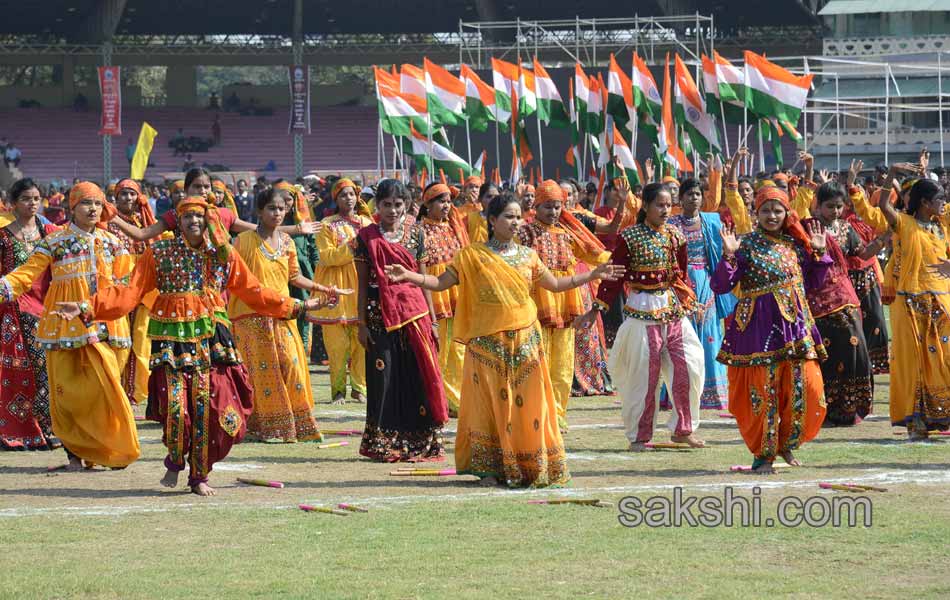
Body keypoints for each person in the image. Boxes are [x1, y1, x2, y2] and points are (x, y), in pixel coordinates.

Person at [56, 195, 330, 495]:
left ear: (209, 219)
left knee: (213, 407)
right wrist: (87, 308)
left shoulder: (223, 255)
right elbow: (129, 291)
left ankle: (200, 474)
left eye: (199, 216)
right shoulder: (159, 252)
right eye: (187, 217)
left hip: (213, 338)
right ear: (178, 222)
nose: (194, 222)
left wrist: (300, 306)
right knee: (177, 407)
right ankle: (175, 458)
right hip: (172, 340)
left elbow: (255, 292)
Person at [386, 194, 624, 486]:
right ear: (492, 220)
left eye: (518, 217)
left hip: (525, 338)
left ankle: (529, 463)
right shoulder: (472, 256)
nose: (515, 222)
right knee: (489, 406)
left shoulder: (528, 256)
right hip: (486, 343)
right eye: (509, 217)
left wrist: (592, 275)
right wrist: (410, 275)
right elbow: (439, 283)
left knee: (529, 405)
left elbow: (556, 284)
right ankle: (490, 468)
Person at [1, 182, 139, 471]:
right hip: (63, 325)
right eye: (86, 204)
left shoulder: (114, 244)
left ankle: (110, 449)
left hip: (107, 324)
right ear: (71, 208)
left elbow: (127, 284)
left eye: (98, 204)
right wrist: (5, 287)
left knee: (106, 389)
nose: (92, 209)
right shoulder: (54, 241)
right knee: (67, 392)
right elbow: (27, 274)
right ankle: (74, 455)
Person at [712, 186, 831, 473]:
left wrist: (819, 252)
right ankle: (763, 455)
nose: (772, 215)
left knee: (809, 389)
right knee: (761, 392)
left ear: (787, 212)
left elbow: (815, 283)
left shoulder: (795, 245)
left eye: (778, 210)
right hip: (757, 329)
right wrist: (728, 257)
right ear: (756, 213)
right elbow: (720, 285)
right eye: (765, 210)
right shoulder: (746, 245)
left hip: (796, 328)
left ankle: (786, 444)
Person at [584, 182, 705, 451]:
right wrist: (596, 309)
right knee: (644, 376)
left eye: (667, 204)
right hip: (642, 311)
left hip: (673, 310)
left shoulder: (676, 236)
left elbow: (681, 274)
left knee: (689, 366)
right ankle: (640, 435)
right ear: (646, 206)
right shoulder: (630, 237)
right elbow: (614, 277)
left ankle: (683, 429)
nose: (665, 209)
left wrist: (689, 299)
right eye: (659, 205)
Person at [230, 187, 344, 443]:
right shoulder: (244, 241)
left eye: (281, 209)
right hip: (251, 317)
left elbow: (293, 276)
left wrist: (321, 288)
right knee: (260, 374)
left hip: (282, 314)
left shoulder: (288, 242)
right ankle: (266, 427)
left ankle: (298, 424)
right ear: (259, 211)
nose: (277, 213)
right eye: (272, 208)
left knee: (291, 366)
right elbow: (237, 280)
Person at [353, 179, 448, 461]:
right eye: (386, 205)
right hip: (377, 313)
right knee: (383, 376)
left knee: (416, 374)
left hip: (415, 313)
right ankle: (382, 442)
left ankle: (420, 439)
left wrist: (432, 320)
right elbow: (361, 285)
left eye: (398, 205)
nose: (392, 211)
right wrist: (361, 324)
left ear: (406, 205)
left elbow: (423, 279)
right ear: (377, 206)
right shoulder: (365, 237)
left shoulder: (416, 233)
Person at [854, 173, 950, 439]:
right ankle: (917, 422)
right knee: (914, 363)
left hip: (941, 302)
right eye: (939, 199)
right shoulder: (904, 223)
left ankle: (940, 413)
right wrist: (892, 175)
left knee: (943, 358)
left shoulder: (942, 225)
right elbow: (884, 205)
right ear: (924, 203)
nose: (944, 203)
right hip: (909, 302)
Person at [517, 180, 612, 429]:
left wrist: (621, 258)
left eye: (557, 206)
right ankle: (536, 413)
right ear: (536, 206)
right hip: (536, 305)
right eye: (547, 206)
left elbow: (595, 254)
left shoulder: (568, 233)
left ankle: (556, 416)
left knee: (562, 364)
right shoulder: (525, 233)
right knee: (537, 362)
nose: (553, 212)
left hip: (566, 304)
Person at [806, 179, 876, 426]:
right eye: (829, 206)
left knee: (855, 348)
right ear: (818, 205)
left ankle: (849, 408)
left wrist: (886, 237)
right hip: (819, 298)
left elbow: (862, 254)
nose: (835, 211)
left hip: (845, 296)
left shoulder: (846, 228)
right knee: (828, 353)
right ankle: (825, 408)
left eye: (838, 206)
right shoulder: (809, 228)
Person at [0, 179, 60, 450]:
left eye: (36, 198)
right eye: (26, 198)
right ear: (13, 203)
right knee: (22, 370)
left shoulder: (50, 232)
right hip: (15, 309)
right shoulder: (3, 236)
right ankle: (25, 430)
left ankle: (50, 427)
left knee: (48, 370)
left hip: (49, 307)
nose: (32, 203)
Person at [667, 175, 736, 410]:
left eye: (698, 194)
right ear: (681, 198)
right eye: (689, 194)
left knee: (708, 334)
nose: (694, 198)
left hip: (707, 282)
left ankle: (712, 392)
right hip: (681, 283)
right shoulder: (672, 224)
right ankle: (681, 392)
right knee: (682, 335)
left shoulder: (712, 221)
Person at [309, 178, 372, 404]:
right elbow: (328, 257)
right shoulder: (327, 224)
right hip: (336, 289)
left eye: (352, 194)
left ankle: (359, 388)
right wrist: (354, 245)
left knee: (361, 343)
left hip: (361, 286)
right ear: (336, 198)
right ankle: (337, 390)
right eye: (343, 194)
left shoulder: (367, 223)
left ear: (357, 197)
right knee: (337, 346)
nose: (348, 198)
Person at [418, 182, 469, 417]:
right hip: (433, 296)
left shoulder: (454, 228)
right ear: (427, 205)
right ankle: (438, 399)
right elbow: (421, 271)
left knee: (457, 350)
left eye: (449, 201)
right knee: (438, 350)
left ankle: (455, 399)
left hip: (456, 296)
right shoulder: (419, 231)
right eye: (441, 201)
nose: (446, 205)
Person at [107, 179, 157, 406]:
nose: (128, 198)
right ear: (116, 198)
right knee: (119, 340)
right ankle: (116, 388)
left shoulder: (145, 220)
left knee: (142, 340)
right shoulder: (107, 223)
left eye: (132, 194)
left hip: (144, 289)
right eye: (123, 194)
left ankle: (139, 393)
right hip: (118, 288)